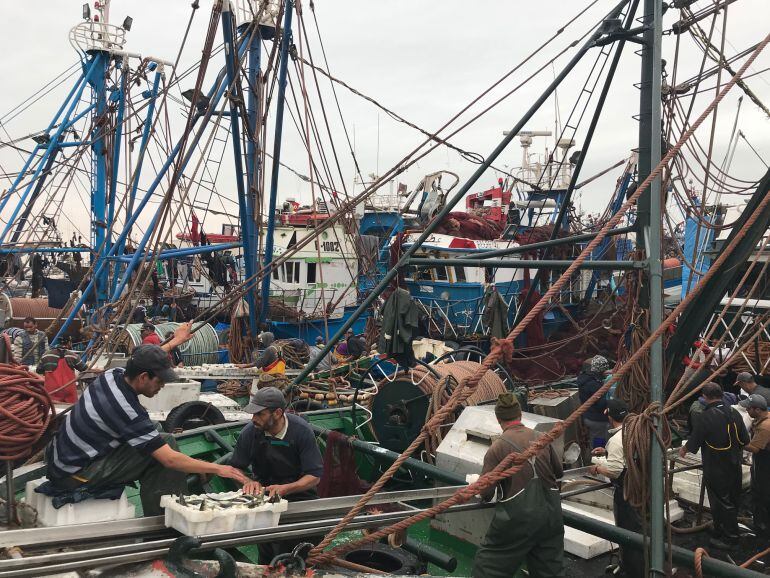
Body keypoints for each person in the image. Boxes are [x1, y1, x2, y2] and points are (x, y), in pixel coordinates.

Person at [45, 342, 249, 516]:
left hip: (60, 459)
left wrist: (174, 341)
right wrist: (219, 468)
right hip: (75, 475)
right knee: (164, 453)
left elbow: (144, 358)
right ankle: (164, 523)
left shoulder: (112, 375)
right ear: (143, 377)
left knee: (159, 433)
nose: (161, 387)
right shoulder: (127, 410)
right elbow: (169, 459)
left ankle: (176, 492)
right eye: (159, 381)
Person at [472, 393, 564, 578]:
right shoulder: (541, 437)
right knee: (549, 570)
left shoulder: (498, 447)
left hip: (518, 521)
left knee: (489, 566)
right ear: (520, 414)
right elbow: (559, 472)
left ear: (499, 419)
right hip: (551, 516)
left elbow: (485, 492)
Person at [231, 387, 324, 564]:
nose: (254, 419)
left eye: (260, 414)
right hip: (264, 499)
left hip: (300, 496)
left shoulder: (301, 431)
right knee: (267, 554)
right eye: (253, 414)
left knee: (302, 555)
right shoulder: (250, 432)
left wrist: (287, 488)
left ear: (278, 413)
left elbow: (314, 476)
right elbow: (235, 469)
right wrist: (248, 482)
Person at [679, 382, 750, 549]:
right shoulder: (734, 412)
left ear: (705, 396)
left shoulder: (705, 416)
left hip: (716, 466)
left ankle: (731, 538)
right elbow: (745, 440)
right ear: (721, 394)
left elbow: (694, 443)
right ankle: (721, 529)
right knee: (732, 498)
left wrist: (684, 449)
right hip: (735, 463)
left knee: (721, 501)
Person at [590, 399, 642, 578]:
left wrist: (597, 468)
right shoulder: (635, 431)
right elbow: (628, 455)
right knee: (641, 529)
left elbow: (614, 471)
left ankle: (633, 570)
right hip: (641, 488)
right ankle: (633, 564)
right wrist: (606, 453)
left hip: (626, 492)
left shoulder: (615, 440)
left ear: (610, 418)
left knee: (627, 531)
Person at [740, 394, 770, 538]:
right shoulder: (762, 418)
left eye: (748, 409)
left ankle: (762, 528)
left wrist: (738, 442)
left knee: (761, 493)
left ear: (757, 409)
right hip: (762, 460)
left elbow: (755, 448)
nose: (747, 411)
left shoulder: (765, 426)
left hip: (765, 463)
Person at [36, 337, 86, 404]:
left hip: (52, 392)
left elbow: (38, 370)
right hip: (69, 391)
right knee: (70, 411)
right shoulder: (73, 356)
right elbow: (84, 368)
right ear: (69, 343)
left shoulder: (46, 355)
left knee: (53, 410)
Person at [577, 355, 611, 449]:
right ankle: (598, 458)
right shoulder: (594, 385)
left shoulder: (584, 379)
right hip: (597, 419)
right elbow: (601, 405)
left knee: (595, 438)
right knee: (599, 441)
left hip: (588, 416)